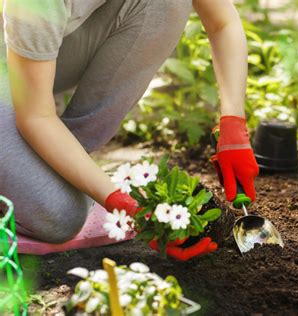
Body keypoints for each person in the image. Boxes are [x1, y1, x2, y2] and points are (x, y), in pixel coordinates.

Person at [0, 0, 259, 260]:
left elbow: (222, 22)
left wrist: (233, 124)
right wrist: (118, 201)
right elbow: (37, 116)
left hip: (28, 62)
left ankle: (54, 167)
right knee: (60, 216)